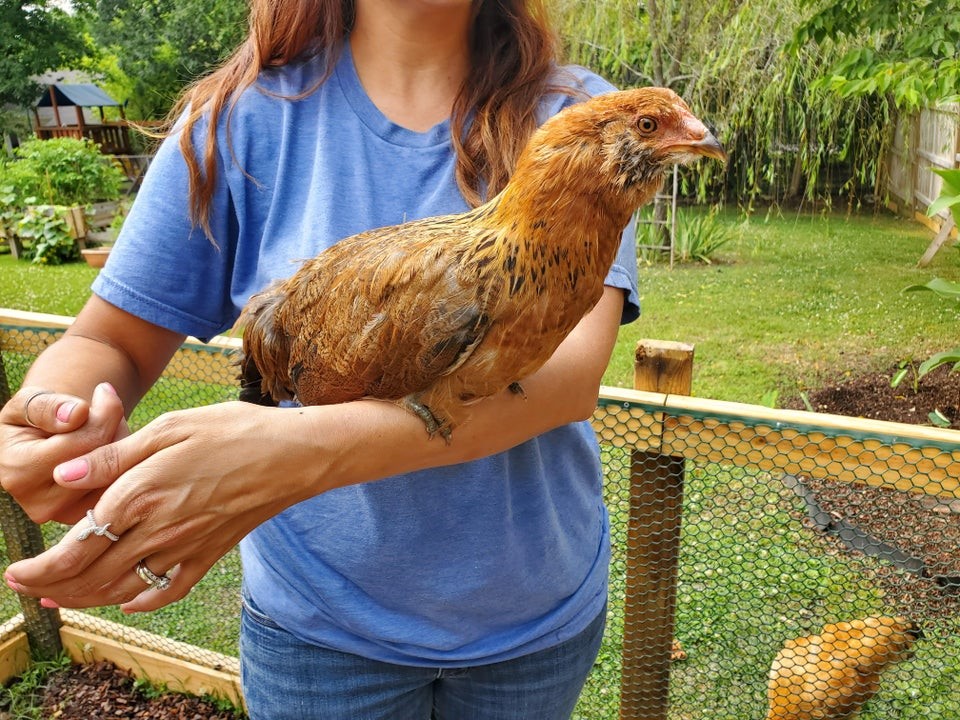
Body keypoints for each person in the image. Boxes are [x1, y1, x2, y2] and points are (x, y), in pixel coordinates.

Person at [0, 0, 639, 717]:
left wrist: (296, 452)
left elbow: (566, 378)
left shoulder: (584, 118)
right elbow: (108, 340)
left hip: (531, 617)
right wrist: (59, 420)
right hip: (322, 628)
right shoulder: (241, 118)